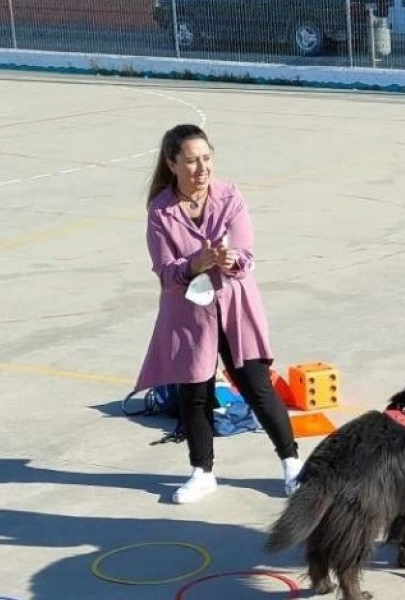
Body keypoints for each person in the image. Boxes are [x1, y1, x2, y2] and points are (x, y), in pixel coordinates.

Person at [135, 123, 303, 504]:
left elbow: (246, 254)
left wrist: (231, 260)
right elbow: (165, 272)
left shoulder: (230, 196)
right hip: (188, 314)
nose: (201, 169)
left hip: (235, 305)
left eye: (207, 159)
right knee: (195, 393)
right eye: (191, 161)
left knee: (257, 387)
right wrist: (195, 264)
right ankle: (202, 472)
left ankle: (292, 464)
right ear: (172, 164)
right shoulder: (160, 211)